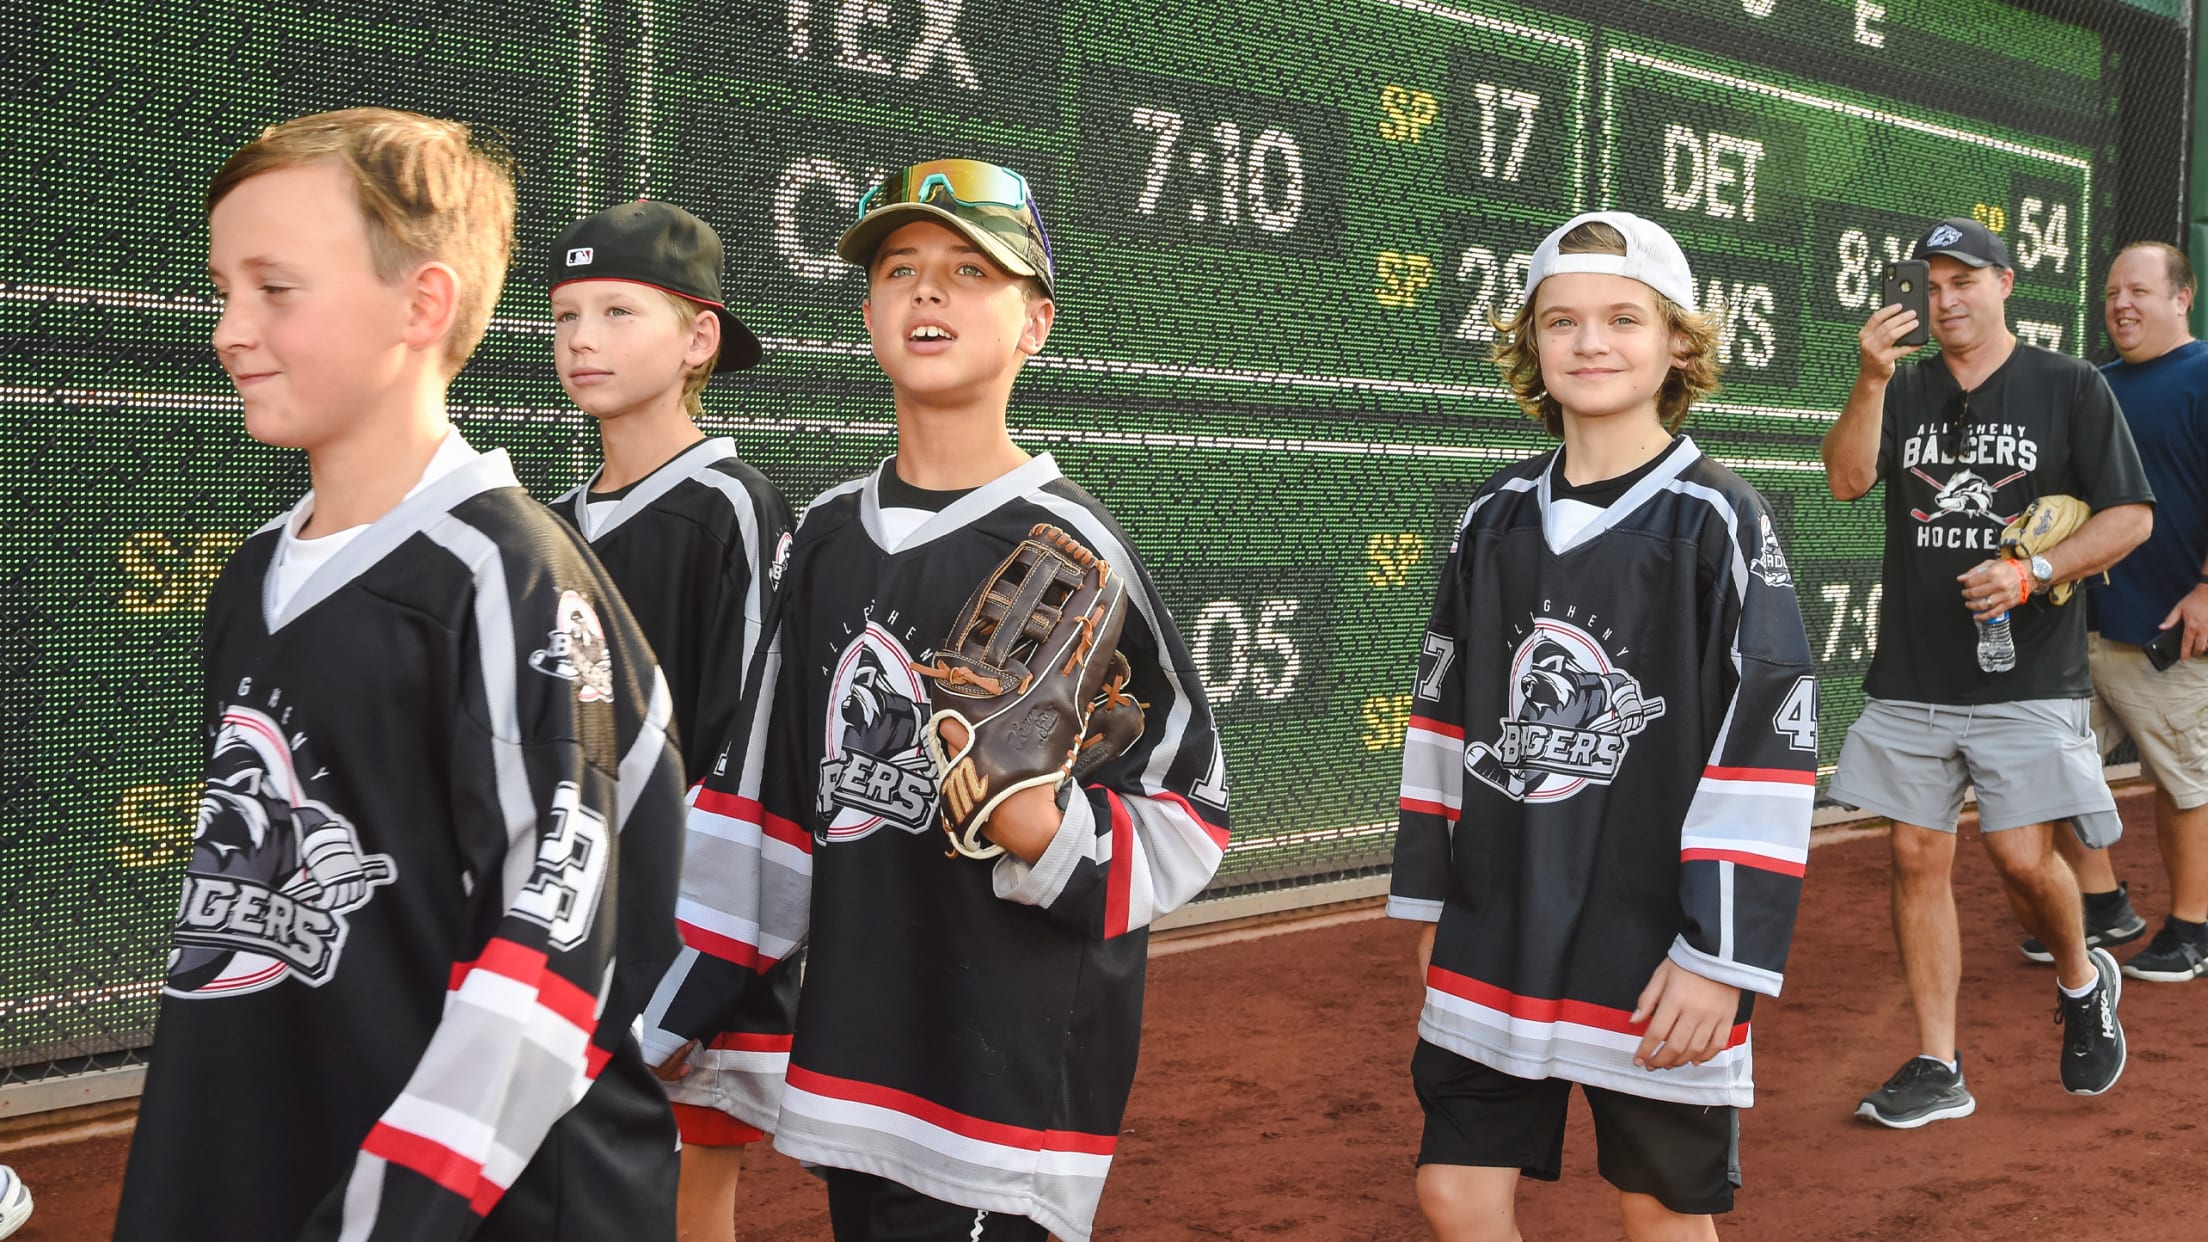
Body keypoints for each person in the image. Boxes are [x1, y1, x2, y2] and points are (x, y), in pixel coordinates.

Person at [114, 108, 687, 1241]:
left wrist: (388, 1217)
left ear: (423, 306)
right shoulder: (254, 581)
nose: (231, 329)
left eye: (276, 289)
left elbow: (550, 960)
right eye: (225, 288)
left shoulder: (508, 580)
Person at [646, 160, 1230, 1242]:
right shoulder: (823, 537)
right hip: (859, 1057)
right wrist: (668, 1012)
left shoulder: (1076, 551)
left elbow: (1192, 806)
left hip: (1007, 1071)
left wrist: (1048, 829)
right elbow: (761, 805)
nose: (927, 292)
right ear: (867, 309)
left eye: (971, 271)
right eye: (900, 270)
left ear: (1035, 323)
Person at [1390, 210, 1817, 1242]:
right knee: (1453, 1190)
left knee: (1661, 1211)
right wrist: (1433, 893)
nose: (1590, 342)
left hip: (1653, 937)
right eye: (1562, 320)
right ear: (1530, 344)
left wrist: (1720, 955)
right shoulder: (1491, 516)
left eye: (1624, 318)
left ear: (1677, 341)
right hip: (1504, 916)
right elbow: (1444, 712)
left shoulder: (1716, 517)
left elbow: (1771, 738)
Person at [1821, 216, 2153, 1129]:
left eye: (1963, 280)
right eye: (1932, 284)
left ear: (2006, 284)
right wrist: (1871, 379)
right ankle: (1937, 1064)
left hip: (2031, 672)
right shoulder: (1906, 386)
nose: (1945, 299)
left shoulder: (2068, 386)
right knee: (1914, 852)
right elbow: (1847, 479)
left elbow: (2131, 519)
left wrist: (2032, 571)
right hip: (1915, 672)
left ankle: (2084, 982)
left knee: (2018, 853)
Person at [541, 199, 800, 1240]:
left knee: (684, 1213)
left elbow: (749, 751)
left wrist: (690, 969)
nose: (583, 341)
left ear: (699, 338)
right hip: (568, 931)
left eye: (617, 311)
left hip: (696, 942)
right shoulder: (546, 525)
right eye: (563, 317)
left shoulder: (733, 506)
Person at [2016, 242, 2208, 981]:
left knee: (2183, 782)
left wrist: (2205, 589)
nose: (2121, 304)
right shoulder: (2093, 382)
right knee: (2047, 769)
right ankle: (2100, 903)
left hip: (2168, 626)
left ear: (2181, 297)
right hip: (2078, 619)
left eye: (2140, 291)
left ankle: (2192, 927)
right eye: (2111, 294)